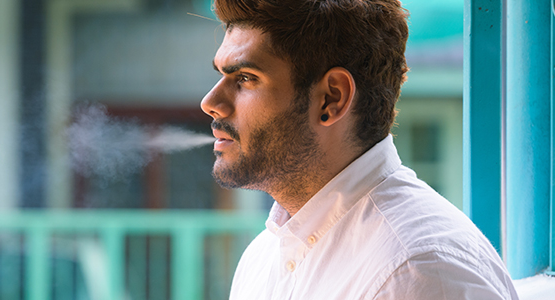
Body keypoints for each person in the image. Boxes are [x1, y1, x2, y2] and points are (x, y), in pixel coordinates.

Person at [199, 0, 518, 299]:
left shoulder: (417, 271)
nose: (210, 103)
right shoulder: (263, 257)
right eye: (222, 75)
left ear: (331, 98)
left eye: (244, 78)